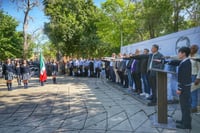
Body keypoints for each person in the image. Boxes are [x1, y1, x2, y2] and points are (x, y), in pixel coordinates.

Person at [173, 47, 192, 129]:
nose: (178, 54)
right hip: (184, 87)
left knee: (185, 106)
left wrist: (180, 89)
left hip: (184, 88)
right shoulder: (184, 62)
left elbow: (185, 77)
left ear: (183, 53)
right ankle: (183, 120)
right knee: (183, 106)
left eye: (179, 52)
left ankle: (186, 124)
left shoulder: (186, 63)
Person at [189, 44, 200, 113]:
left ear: (196, 50)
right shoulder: (188, 56)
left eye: (193, 48)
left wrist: (198, 78)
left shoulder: (198, 57)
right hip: (188, 76)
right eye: (191, 48)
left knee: (194, 92)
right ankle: (190, 106)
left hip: (194, 76)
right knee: (189, 92)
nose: (191, 49)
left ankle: (194, 107)